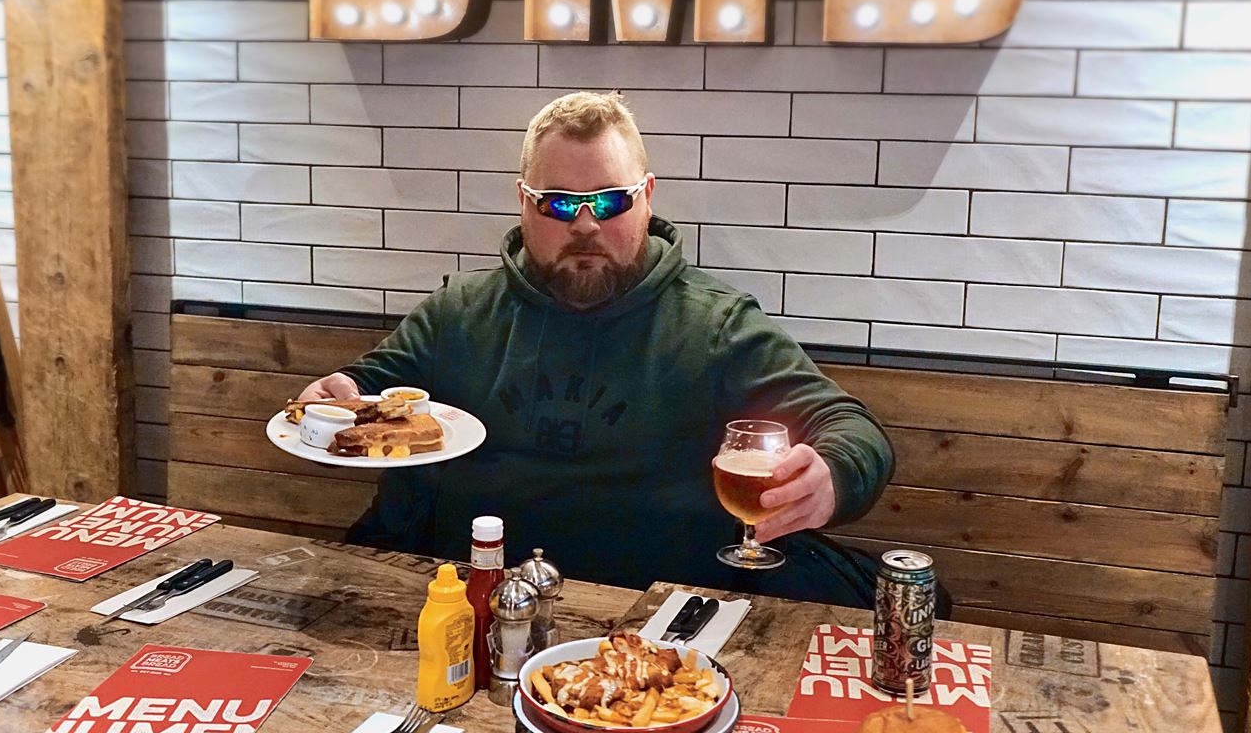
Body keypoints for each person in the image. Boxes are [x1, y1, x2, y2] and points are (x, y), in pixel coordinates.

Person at [298, 91, 896, 602]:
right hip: (470, 599)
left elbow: (849, 427)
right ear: (523, 202)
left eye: (610, 201)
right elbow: (365, 390)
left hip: (655, 621)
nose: (585, 224)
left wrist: (832, 475)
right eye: (558, 202)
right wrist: (332, 398)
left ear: (648, 196)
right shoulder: (459, 312)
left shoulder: (717, 326)